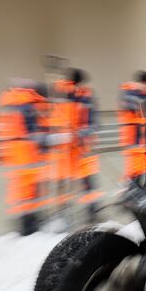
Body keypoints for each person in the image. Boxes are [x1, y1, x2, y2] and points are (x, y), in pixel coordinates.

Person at [0, 82, 49, 234]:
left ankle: (24, 224)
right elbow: (34, 133)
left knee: (20, 192)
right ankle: (29, 227)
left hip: (13, 155)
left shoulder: (13, 103)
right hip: (27, 155)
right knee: (30, 192)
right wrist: (49, 140)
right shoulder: (28, 107)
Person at [54, 68, 102, 215]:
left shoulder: (87, 96)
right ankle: (63, 212)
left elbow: (94, 123)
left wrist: (83, 132)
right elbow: (52, 120)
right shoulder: (60, 95)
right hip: (65, 149)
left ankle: (92, 210)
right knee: (64, 181)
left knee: (87, 180)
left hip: (82, 147)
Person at [119, 70, 146, 184]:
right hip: (133, 140)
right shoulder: (129, 94)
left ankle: (141, 189)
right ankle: (133, 188)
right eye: (144, 84)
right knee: (134, 170)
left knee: (145, 168)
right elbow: (130, 105)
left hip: (144, 140)